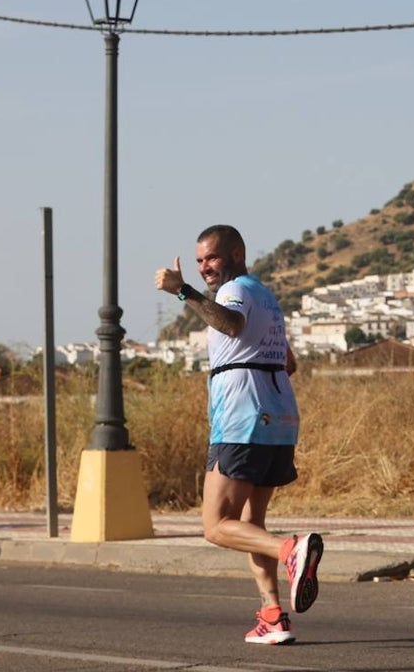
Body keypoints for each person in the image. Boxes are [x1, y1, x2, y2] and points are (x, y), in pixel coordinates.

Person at [155, 224, 323, 646]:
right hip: (279, 419)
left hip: (242, 420)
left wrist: (183, 291)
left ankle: (291, 550)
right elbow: (288, 362)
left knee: (216, 526)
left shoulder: (234, 291)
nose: (204, 267)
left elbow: (229, 325)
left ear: (236, 253)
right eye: (199, 261)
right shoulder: (265, 296)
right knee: (251, 525)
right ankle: (273, 616)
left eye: (211, 257)